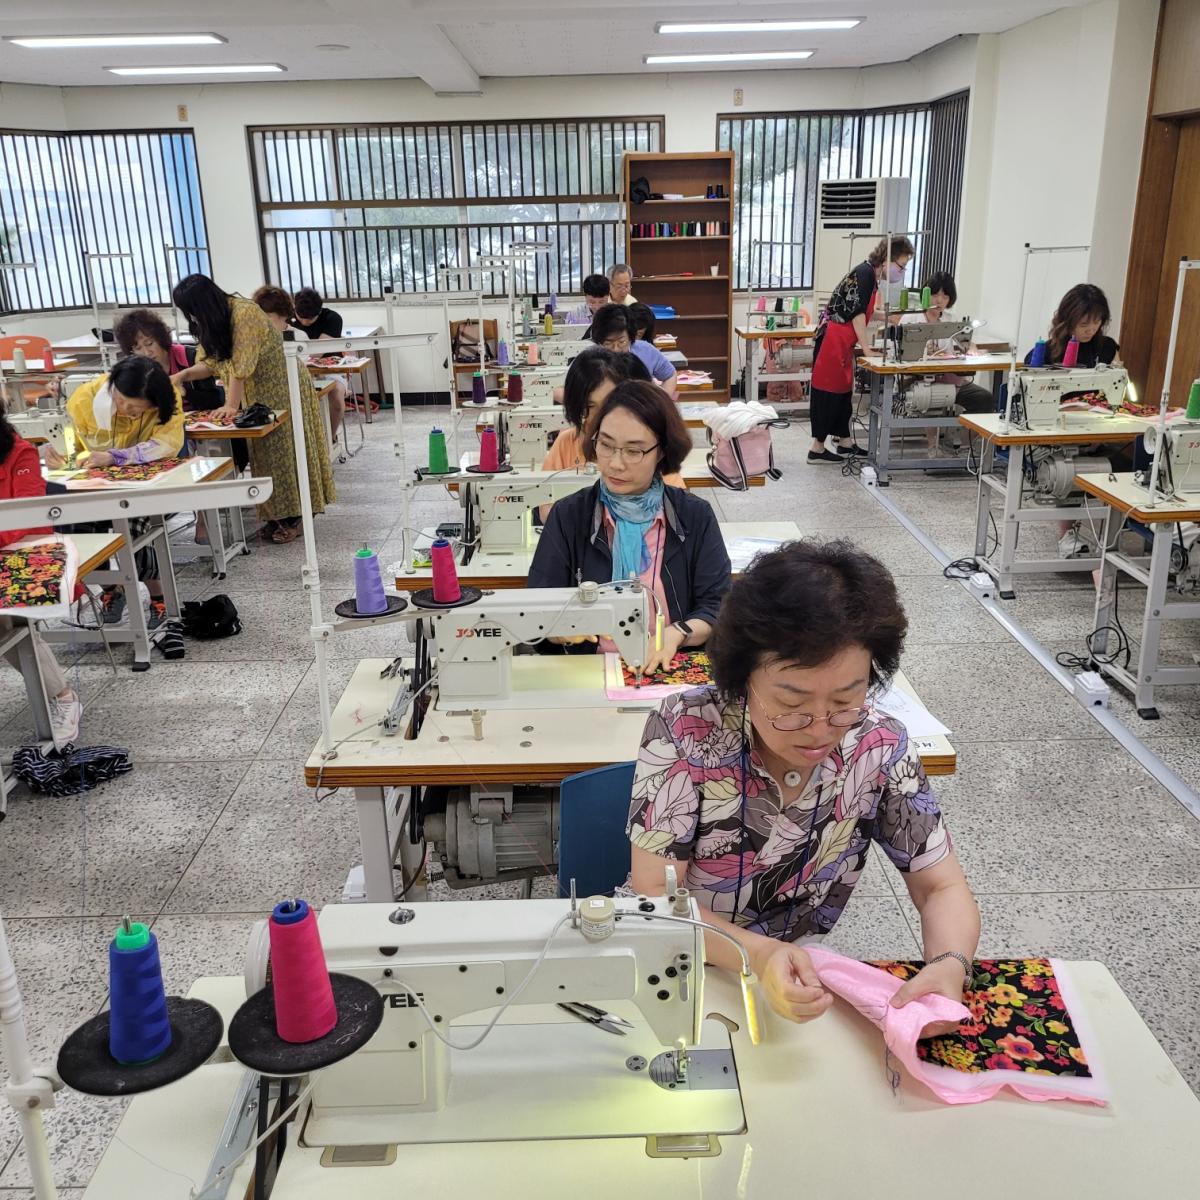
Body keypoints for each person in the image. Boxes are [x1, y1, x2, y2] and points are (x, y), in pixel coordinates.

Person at [628, 539, 980, 1028]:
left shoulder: (877, 745)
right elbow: (655, 897)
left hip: (792, 966)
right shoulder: (684, 729)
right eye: (791, 705)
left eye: (844, 700)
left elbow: (940, 886)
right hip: (680, 954)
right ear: (742, 678)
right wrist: (759, 954)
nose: (818, 729)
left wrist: (950, 963)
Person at [529, 380, 729, 673]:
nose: (615, 464)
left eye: (634, 451)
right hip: (590, 669)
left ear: (662, 451)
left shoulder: (693, 516)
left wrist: (676, 634)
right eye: (606, 445)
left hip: (670, 664)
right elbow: (537, 607)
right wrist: (561, 629)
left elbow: (717, 605)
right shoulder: (569, 517)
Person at [170, 274, 335, 545]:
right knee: (265, 457)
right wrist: (182, 375)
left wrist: (231, 405)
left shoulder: (244, 312)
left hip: (283, 387)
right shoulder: (217, 321)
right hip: (254, 396)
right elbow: (211, 363)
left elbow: (241, 366)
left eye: (193, 310)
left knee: (288, 452)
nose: (193, 317)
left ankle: (297, 517)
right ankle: (276, 517)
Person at [60, 356, 184, 625]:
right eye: (121, 401)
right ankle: (110, 590)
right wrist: (65, 457)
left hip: (142, 485)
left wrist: (115, 457)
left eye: (136, 408)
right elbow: (73, 447)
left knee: (134, 529)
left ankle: (159, 597)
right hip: (96, 485)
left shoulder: (168, 398)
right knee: (74, 527)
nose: (126, 410)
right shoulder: (84, 399)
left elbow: (167, 444)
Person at [0, 405, 82, 746]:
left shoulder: (21, 453)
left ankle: (64, 697)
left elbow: (26, 515)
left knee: (6, 624)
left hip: (23, 549)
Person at [809, 235, 913, 465]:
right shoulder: (864, 274)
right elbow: (857, 315)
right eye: (901, 266)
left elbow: (864, 311)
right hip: (832, 341)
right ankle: (817, 448)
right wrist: (866, 349)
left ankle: (845, 442)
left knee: (843, 393)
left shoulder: (871, 277)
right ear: (887, 259)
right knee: (828, 393)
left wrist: (888, 317)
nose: (901, 272)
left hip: (842, 342)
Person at [543, 347, 685, 484]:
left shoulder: (649, 446)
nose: (600, 416)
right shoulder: (567, 443)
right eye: (589, 406)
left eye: (609, 404)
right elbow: (545, 495)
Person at [255, 285, 346, 445]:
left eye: (309, 319)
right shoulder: (286, 320)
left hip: (327, 369)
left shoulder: (332, 319)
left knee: (336, 396)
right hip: (297, 371)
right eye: (300, 317)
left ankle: (328, 440)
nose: (304, 322)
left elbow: (316, 353)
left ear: (319, 312)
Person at [113, 308, 221, 414]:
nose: (147, 353)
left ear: (161, 338)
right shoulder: (135, 370)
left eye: (149, 343)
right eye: (138, 348)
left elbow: (215, 401)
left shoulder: (189, 357)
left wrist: (184, 392)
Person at [589, 305, 677, 398]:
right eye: (608, 343)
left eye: (621, 342)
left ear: (631, 337)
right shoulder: (590, 360)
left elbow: (670, 375)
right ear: (599, 342)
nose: (616, 349)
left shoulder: (645, 350)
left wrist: (661, 401)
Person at [1024, 283, 1119, 367]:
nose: (1091, 330)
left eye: (1097, 322)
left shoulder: (1108, 347)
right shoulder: (1044, 354)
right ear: (1067, 322)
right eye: (1083, 324)